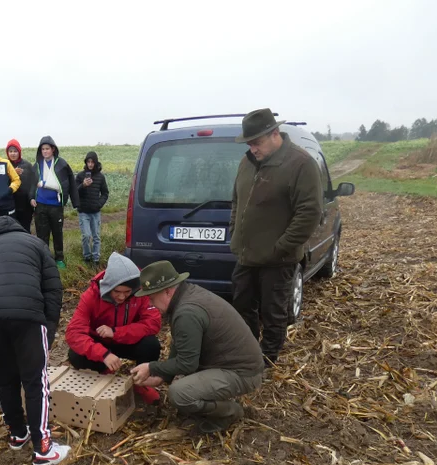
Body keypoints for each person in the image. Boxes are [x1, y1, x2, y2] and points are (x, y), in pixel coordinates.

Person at [0, 216, 69, 465]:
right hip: (27, 317)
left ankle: (17, 433)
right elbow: (53, 288)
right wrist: (50, 327)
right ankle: (43, 448)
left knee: (5, 379)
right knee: (35, 381)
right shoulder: (35, 244)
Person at [230, 108, 323, 365]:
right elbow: (237, 200)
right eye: (249, 143)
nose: (253, 148)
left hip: (277, 258)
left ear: (274, 134)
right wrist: (234, 233)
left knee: (274, 312)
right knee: (243, 304)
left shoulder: (300, 164)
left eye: (256, 142)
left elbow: (309, 212)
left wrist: (282, 247)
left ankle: (268, 357)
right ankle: (249, 352)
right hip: (246, 253)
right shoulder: (247, 162)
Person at [130, 261, 264, 433]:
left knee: (179, 394)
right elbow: (181, 344)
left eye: (151, 297)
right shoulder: (187, 295)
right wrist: (163, 376)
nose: (150, 303)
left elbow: (188, 364)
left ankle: (229, 412)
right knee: (185, 389)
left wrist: (151, 367)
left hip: (243, 372)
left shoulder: (186, 313)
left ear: (167, 291)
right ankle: (214, 405)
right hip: (231, 363)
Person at [65, 252, 162, 403]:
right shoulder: (91, 296)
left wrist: (116, 332)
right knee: (75, 355)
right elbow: (74, 333)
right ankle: (104, 372)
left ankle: (141, 382)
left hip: (126, 340)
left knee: (151, 345)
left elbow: (153, 323)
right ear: (108, 285)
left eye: (127, 292)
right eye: (117, 291)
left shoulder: (140, 293)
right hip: (100, 343)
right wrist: (103, 354)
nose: (122, 297)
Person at [31, 136, 79, 269]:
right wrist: (31, 198)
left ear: (53, 149)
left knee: (57, 233)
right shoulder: (37, 165)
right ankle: (45, 259)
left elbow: (70, 182)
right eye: (42, 149)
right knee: (42, 234)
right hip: (40, 205)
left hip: (56, 206)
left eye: (47, 149)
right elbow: (32, 184)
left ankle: (59, 258)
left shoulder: (62, 164)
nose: (45, 151)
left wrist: (76, 201)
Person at [75, 151, 110, 266]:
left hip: (95, 211)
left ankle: (96, 259)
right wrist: (83, 185)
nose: (90, 164)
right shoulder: (80, 176)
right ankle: (87, 257)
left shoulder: (100, 177)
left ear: (96, 163)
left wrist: (99, 204)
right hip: (83, 211)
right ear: (86, 162)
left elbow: (105, 193)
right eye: (88, 162)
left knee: (96, 236)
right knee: (86, 235)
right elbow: (74, 192)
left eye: (92, 162)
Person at [6, 140, 36, 232]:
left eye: (15, 151)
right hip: (10, 204)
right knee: (12, 230)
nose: (13, 154)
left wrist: (31, 198)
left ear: (19, 152)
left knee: (25, 229)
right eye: (10, 151)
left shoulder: (27, 165)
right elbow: (2, 184)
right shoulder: (4, 165)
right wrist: (12, 173)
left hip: (25, 205)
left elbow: (33, 183)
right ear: (7, 153)